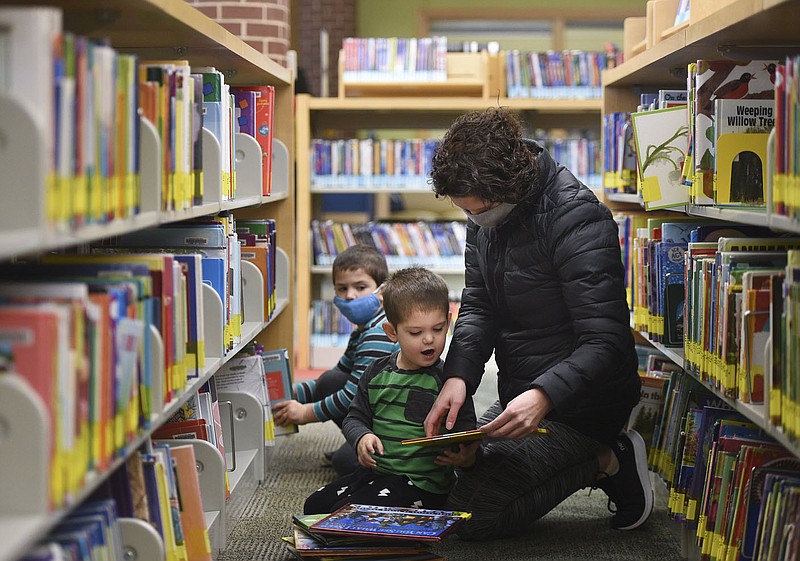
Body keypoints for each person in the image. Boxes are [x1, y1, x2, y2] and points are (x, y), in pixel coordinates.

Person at [423, 106, 651, 540]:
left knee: (476, 519)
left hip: (585, 404)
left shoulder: (578, 218)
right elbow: (479, 304)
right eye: (465, 211)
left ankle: (608, 457)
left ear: (509, 186)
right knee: (452, 480)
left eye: (481, 210)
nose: (474, 219)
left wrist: (544, 395)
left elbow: (605, 341)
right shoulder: (486, 212)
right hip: (521, 391)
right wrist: (458, 377)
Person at [304, 266, 478, 515]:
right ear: (392, 332)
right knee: (314, 506)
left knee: (347, 514)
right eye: (416, 332)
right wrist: (362, 437)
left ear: (448, 323)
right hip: (376, 474)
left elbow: (467, 429)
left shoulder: (449, 381)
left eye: (438, 329)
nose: (429, 339)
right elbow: (355, 417)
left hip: (423, 486)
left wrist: (466, 459)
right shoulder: (376, 372)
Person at [272, 244, 398, 475]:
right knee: (330, 380)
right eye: (342, 288)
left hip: (395, 426)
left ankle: (379, 450)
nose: (350, 295)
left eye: (360, 287)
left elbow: (352, 394)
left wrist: (305, 414)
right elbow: (331, 380)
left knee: (346, 464)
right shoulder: (363, 331)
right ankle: (360, 439)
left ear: (382, 290)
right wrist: (285, 394)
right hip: (376, 410)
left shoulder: (379, 332)